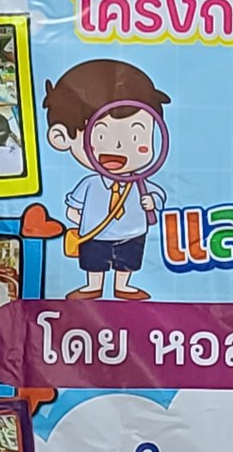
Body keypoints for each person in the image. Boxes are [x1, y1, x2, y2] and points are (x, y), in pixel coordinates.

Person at [43, 58, 172, 300]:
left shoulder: (139, 183)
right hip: (95, 233)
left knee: (128, 259)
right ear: (62, 137)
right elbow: (74, 206)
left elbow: (157, 196)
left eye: (136, 136)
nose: (119, 147)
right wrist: (80, 218)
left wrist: (152, 202)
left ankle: (123, 285)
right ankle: (93, 285)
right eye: (100, 135)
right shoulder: (90, 183)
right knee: (94, 260)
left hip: (133, 231)